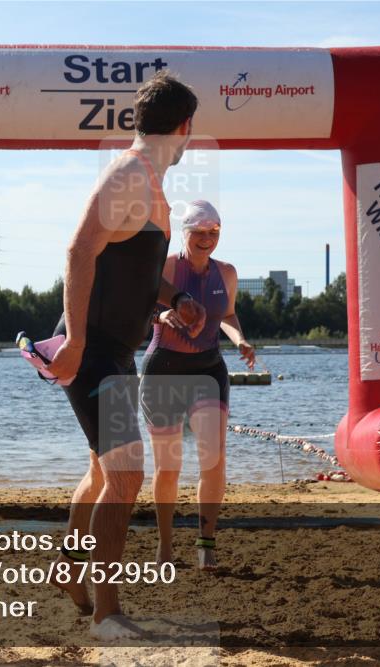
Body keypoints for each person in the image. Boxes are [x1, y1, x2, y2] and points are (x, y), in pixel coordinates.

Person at [42, 70, 203, 640]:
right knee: (129, 473)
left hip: (115, 355)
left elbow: (131, 270)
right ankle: (106, 614)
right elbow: (79, 250)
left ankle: (68, 569)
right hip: (95, 355)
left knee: (102, 469)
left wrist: (176, 298)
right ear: (184, 127)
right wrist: (76, 343)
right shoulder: (129, 174)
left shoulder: (151, 188)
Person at [138, 200, 255, 572]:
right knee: (168, 467)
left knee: (214, 460)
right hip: (164, 371)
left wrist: (239, 340)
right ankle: (165, 545)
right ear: (184, 232)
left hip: (208, 371)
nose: (206, 239)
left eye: (213, 233)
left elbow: (229, 314)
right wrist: (163, 314)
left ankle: (206, 544)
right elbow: (139, 310)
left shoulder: (228, 273)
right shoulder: (168, 268)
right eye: (199, 232)